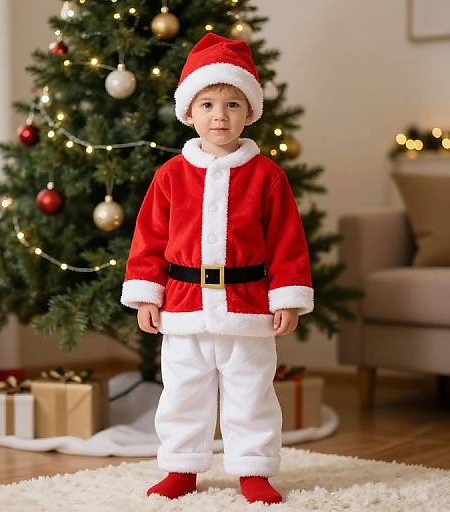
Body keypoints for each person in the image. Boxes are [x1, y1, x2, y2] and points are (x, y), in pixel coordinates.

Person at [120, 32, 314, 505]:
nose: (219, 115)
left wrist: (286, 295)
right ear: (189, 113)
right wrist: (148, 293)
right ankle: (181, 468)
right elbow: (149, 238)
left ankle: (254, 471)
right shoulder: (170, 176)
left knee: (252, 394)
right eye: (207, 104)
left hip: (248, 309)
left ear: (249, 112)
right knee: (184, 393)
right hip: (184, 309)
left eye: (232, 104)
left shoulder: (267, 176)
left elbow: (287, 241)